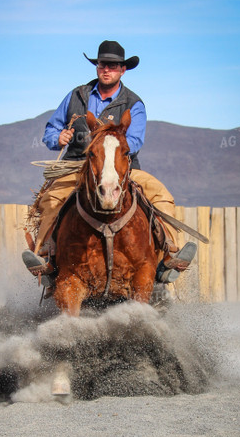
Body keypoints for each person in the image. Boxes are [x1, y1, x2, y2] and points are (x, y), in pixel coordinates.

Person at [23, 40, 196, 288]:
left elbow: (134, 140)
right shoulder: (76, 96)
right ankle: (46, 258)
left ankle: (169, 254)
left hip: (122, 168)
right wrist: (57, 138)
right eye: (103, 64)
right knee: (52, 199)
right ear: (97, 67)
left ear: (123, 70)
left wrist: (108, 148)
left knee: (161, 194)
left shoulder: (133, 103)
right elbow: (51, 128)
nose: (107, 69)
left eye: (113, 66)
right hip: (76, 167)